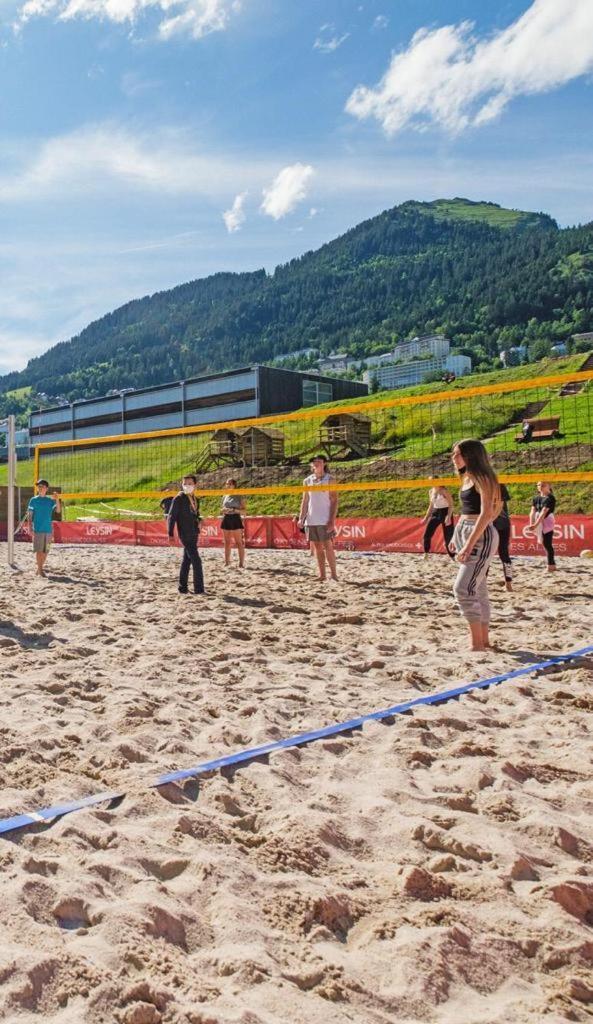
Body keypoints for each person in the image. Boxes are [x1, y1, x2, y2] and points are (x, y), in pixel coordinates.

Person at [450, 440, 501, 651]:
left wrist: (469, 544)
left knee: (463, 588)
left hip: (480, 535)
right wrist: (456, 536)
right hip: (465, 530)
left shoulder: (483, 476)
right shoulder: (467, 477)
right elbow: (465, 511)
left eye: (457, 454)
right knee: (478, 588)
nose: (454, 458)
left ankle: (477, 645)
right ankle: (484, 642)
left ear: (470, 455)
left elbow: (487, 513)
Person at [297, 454, 338, 582]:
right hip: (311, 519)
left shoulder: (330, 479)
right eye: (314, 462)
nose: (316, 463)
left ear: (324, 463)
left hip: (324, 519)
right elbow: (305, 501)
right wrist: (301, 518)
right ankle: (322, 575)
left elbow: (334, 500)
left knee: (328, 547)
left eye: (319, 461)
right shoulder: (307, 480)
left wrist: (332, 520)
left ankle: (334, 575)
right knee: (318, 548)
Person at [167, 474, 205, 594]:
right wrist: (171, 534)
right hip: (185, 533)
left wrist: (199, 520)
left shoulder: (195, 499)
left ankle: (182, 587)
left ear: (195, 485)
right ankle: (199, 589)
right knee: (197, 561)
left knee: (186, 560)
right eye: (185, 483)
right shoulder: (178, 498)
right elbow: (171, 517)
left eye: (189, 483)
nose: (187, 486)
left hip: (194, 532)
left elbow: (195, 515)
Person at [27, 479, 61, 577]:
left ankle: (39, 568)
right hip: (38, 530)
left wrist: (57, 499)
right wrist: (30, 527)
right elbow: (29, 515)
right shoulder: (33, 500)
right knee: (39, 551)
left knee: (46, 550)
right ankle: (41, 570)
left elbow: (58, 511)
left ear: (46, 488)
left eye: (42, 486)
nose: (40, 488)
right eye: (39, 486)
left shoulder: (50, 501)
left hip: (49, 530)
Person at [528, 481, 557, 572]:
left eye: (543, 485)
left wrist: (535, 525)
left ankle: (551, 565)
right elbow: (532, 512)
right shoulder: (536, 498)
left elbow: (543, 513)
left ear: (549, 486)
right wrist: (531, 523)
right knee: (544, 543)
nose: (541, 486)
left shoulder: (550, 498)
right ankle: (551, 564)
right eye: (539, 485)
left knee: (547, 543)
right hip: (538, 520)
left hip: (547, 520)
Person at [421, 484, 455, 560]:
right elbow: (431, 505)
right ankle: (426, 553)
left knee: (448, 536)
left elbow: (451, 505)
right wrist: (426, 517)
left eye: (431, 481)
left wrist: (448, 517)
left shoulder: (444, 491)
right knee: (427, 535)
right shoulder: (430, 491)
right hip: (435, 513)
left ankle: (452, 556)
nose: (430, 482)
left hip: (445, 512)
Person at [221, 478, 246, 568]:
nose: (228, 485)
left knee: (239, 542)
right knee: (227, 542)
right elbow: (221, 509)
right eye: (227, 483)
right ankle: (227, 562)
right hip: (226, 518)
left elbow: (244, 511)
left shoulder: (239, 495)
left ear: (234, 485)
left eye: (230, 484)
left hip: (235, 518)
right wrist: (224, 510)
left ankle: (241, 563)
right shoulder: (225, 495)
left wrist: (234, 510)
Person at [493, 483, 513, 590]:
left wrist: (488, 520)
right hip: (489, 523)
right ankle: (481, 583)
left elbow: (499, 505)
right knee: (485, 555)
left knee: (504, 553)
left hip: (501, 523)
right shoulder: (480, 485)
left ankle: (508, 583)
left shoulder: (500, 485)